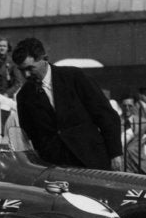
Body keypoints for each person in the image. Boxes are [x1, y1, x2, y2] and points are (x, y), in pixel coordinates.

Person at [13, 37, 123, 170]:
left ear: (45, 59)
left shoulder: (74, 77)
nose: (26, 74)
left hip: (92, 160)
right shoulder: (24, 96)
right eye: (22, 70)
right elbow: (31, 135)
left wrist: (115, 154)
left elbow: (105, 115)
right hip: (56, 168)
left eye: (30, 68)